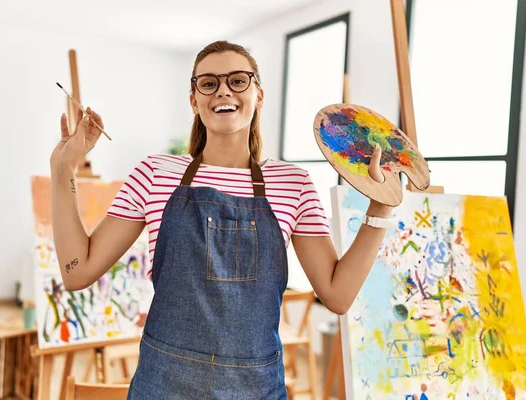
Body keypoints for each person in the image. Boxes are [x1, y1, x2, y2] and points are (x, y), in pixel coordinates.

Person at [49, 40, 392, 399]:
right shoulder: (154, 173)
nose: (223, 90)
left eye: (238, 80)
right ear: (194, 100)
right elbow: (77, 271)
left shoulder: (293, 183)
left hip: (254, 388)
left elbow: (337, 296)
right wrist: (62, 171)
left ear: (259, 94)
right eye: (208, 83)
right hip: (163, 384)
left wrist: (379, 209)